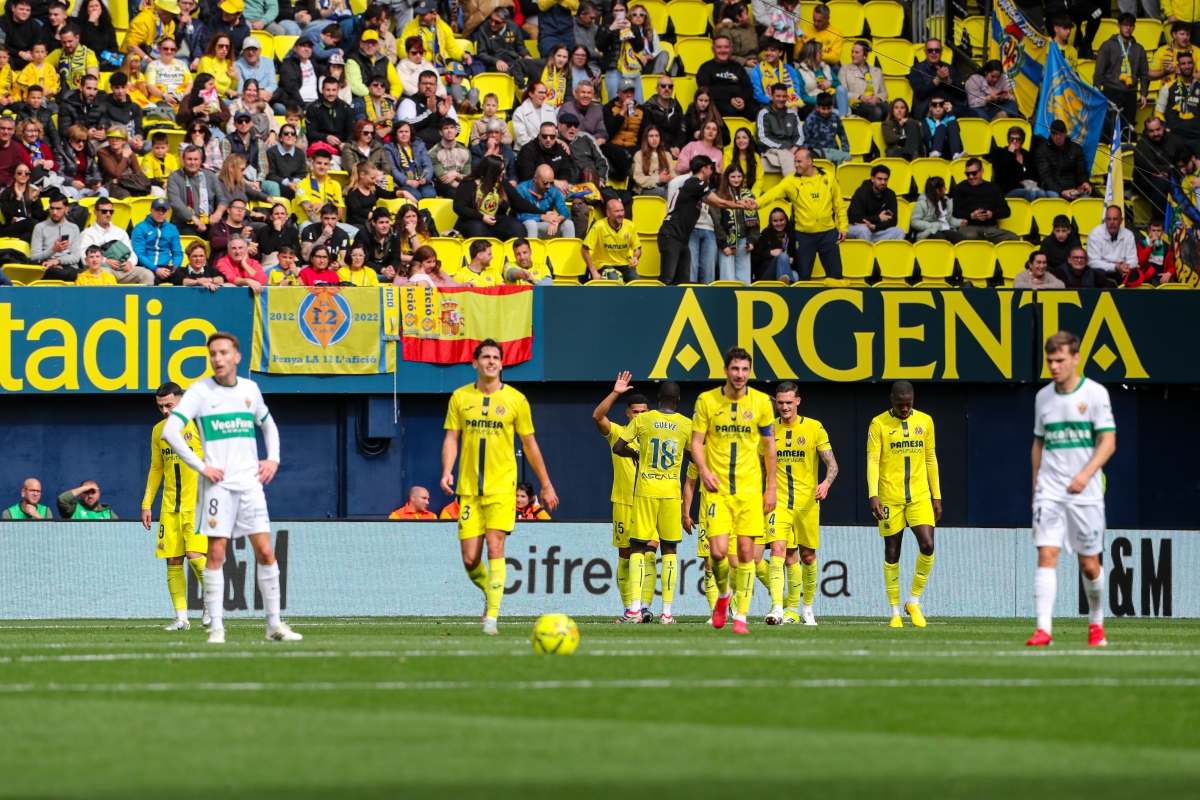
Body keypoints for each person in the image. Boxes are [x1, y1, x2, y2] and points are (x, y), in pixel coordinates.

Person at [161, 332, 297, 644]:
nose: (218, 358)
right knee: (216, 554)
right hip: (218, 489)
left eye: (223, 352)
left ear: (236, 357)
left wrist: (272, 459)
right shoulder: (199, 392)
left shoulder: (250, 389)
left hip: (250, 485)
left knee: (265, 551)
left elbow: (268, 424)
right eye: (213, 354)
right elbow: (171, 430)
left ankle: (274, 625)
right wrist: (201, 466)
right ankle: (217, 628)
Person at [441, 338, 558, 635]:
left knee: (496, 546)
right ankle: (491, 591)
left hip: (501, 489)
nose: (491, 361)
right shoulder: (459, 397)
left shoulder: (516, 400)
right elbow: (452, 438)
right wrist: (446, 471)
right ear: (475, 363)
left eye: (495, 357)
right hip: (469, 490)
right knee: (470, 560)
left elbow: (529, 443)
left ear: (502, 363)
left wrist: (545, 484)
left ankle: (491, 618)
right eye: (485, 357)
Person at [1027, 331, 1116, 648]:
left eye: (1060, 360)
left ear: (1076, 358)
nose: (1054, 366)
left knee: (1089, 564)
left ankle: (1096, 623)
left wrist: (1086, 473)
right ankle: (1043, 629)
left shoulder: (1094, 394)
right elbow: (1038, 443)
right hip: (1050, 491)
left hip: (1085, 492)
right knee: (1046, 554)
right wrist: (1037, 484)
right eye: (1050, 360)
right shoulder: (1043, 398)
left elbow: (1108, 441)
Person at [690, 347, 776, 634]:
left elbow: (769, 448)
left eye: (745, 370)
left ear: (750, 372)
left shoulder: (762, 403)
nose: (740, 375)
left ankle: (741, 616)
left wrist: (771, 487)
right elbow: (696, 442)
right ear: (726, 370)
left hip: (750, 490)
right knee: (717, 553)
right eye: (735, 369)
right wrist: (703, 470)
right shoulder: (707, 401)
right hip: (718, 492)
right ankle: (724, 595)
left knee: (747, 552)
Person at [611, 380, 690, 624]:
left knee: (637, 547)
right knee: (669, 550)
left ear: (658, 399)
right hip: (670, 493)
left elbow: (618, 447)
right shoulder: (686, 424)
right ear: (677, 400)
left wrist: (637, 453)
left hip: (645, 490)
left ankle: (634, 608)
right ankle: (666, 612)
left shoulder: (643, 420)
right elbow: (696, 455)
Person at [867, 380, 940, 628]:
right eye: (900, 405)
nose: (905, 408)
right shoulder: (878, 424)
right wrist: (872, 494)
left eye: (909, 404)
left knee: (928, 545)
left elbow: (931, 458)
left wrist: (936, 495)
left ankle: (913, 601)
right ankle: (895, 612)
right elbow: (873, 461)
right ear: (892, 400)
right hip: (890, 497)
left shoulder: (925, 421)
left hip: (919, 496)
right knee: (891, 552)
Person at [764, 382, 837, 625]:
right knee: (778, 552)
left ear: (798, 401)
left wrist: (826, 483)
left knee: (807, 557)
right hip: (779, 503)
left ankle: (805, 608)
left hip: (807, 503)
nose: (784, 407)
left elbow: (833, 465)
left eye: (788, 402)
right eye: (780, 402)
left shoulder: (814, 428)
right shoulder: (768, 430)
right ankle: (776, 607)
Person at [141, 382, 209, 631]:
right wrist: (147, 503)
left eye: (169, 405)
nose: (165, 411)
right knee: (172, 561)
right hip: (170, 507)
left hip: (198, 504)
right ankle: (181, 618)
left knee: (195, 557)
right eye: (160, 407)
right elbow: (157, 468)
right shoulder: (158, 431)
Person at [592, 373, 651, 616]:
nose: (640, 416)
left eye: (644, 412)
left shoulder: (656, 436)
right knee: (626, 557)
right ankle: (629, 608)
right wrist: (616, 392)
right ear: (628, 413)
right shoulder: (618, 433)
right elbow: (597, 416)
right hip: (624, 502)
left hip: (650, 502)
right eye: (635, 412)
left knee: (649, 554)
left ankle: (645, 607)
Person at [757, 148, 849, 282]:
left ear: (810, 161)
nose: (796, 165)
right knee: (803, 277)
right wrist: (756, 203)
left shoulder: (828, 176)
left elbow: (839, 205)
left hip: (828, 233)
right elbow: (773, 193)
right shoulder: (791, 181)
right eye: (795, 162)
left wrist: (843, 227)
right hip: (804, 235)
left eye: (799, 161)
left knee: (835, 275)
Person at [657, 154, 750, 285]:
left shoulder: (694, 185)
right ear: (704, 169)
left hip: (681, 238)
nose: (713, 171)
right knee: (667, 278)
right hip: (671, 234)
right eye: (711, 168)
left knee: (683, 281)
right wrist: (741, 205)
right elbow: (719, 203)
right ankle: (660, 305)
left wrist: (739, 202)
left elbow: (713, 202)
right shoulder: (696, 183)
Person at [1093, 13, 1149, 141]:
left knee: (1127, 127)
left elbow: (1144, 74)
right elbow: (1099, 70)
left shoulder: (1139, 49)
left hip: (1130, 93)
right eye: (1125, 25)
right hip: (1110, 91)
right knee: (1108, 126)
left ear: (1134, 27)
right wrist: (1097, 88)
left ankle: (1125, 155)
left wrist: (1144, 93)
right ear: (1118, 26)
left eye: (1131, 25)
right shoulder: (1107, 45)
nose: (1128, 28)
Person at [453, 154, 531, 240]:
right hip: (472, 220)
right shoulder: (468, 184)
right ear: (492, 170)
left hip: (498, 221)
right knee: (478, 228)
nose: (504, 172)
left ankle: (519, 253)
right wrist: (482, 217)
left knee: (517, 227)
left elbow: (519, 201)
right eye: (501, 169)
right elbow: (459, 207)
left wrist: (542, 214)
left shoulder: (503, 184)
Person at [712, 163, 758, 284]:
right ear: (727, 177)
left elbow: (755, 221)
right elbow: (716, 221)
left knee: (744, 281)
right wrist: (723, 243)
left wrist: (752, 241)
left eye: (739, 176)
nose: (736, 179)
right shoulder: (720, 194)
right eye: (733, 176)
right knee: (728, 279)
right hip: (726, 240)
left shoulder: (748, 194)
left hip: (744, 241)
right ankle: (727, 303)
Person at [168, 145, 228, 237]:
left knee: (222, 240)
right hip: (184, 225)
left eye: (196, 159)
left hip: (209, 224)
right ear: (182, 159)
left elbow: (222, 198)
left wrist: (218, 213)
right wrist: (195, 220)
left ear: (201, 161)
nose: (193, 162)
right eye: (189, 159)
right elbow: (175, 202)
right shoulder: (175, 177)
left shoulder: (210, 176)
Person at [954, 158, 1018, 242]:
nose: (971, 177)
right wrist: (971, 215)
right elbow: (955, 212)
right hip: (970, 226)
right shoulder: (960, 188)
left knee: (1014, 238)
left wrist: (991, 214)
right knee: (971, 235)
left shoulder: (994, 187)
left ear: (982, 171)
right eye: (967, 174)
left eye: (974, 173)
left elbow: (1006, 211)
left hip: (990, 228)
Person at [695, 36, 756, 119]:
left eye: (726, 47)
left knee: (755, 110)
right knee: (730, 110)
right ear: (713, 50)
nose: (723, 50)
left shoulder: (737, 66)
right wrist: (729, 99)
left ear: (730, 49)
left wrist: (743, 99)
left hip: (740, 101)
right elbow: (705, 89)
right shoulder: (706, 68)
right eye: (719, 47)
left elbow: (748, 87)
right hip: (719, 102)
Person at [582, 196, 640, 282]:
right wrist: (594, 272)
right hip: (603, 264)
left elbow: (637, 248)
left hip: (625, 264)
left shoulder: (630, 225)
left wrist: (636, 257)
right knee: (614, 279)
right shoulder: (599, 226)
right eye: (617, 211)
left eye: (622, 210)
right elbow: (584, 250)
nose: (621, 214)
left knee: (637, 283)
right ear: (608, 213)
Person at [398, 69, 458, 148]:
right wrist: (429, 112)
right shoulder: (409, 101)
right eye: (424, 83)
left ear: (436, 86)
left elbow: (458, 129)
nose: (428, 86)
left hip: (443, 148)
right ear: (418, 85)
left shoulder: (443, 103)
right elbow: (405, 126)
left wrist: (444, 116)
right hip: (417, 147)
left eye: (431, 84)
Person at [1035, 119, 1093, 200]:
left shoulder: (1076, 148)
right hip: (1054, 190)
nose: (1058, 137)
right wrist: (1062, 191)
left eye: (1060, 133)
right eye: (1055, 133)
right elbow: (1046, 177)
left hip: (1074, 190)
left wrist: (1085, 183)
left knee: (1086, 198)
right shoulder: (1042, 150)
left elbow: (1081, 172)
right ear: (1051, 134)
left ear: (1065, 133)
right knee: (1055, 197)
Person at [909, 38, 965, 119]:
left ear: (941, 52)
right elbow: (920, 93)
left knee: (973, 113)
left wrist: (950, 83)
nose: (934, 53)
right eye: (930, 50)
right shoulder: (916, 69)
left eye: (937, 50)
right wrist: (938, 79)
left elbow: (963, 94)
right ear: (925, 52)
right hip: (927, 109)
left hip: (948, 107)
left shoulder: (950, 68)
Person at [514, 163, 574, 240]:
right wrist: (542, 217)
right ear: (535, 178)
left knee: (568, 224)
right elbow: (519, 215)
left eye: (551, 183)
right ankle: (531, 251)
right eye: (545, 183)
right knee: (531, 224)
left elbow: (565, 211)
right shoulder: (522, 189)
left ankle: (569, 252)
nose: (548, 186)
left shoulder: (553, 190)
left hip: (544, 226)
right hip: (524, 227)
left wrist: (557, 220)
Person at [1135, 116, 1181, 215]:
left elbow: (1183, 160)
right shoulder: (1141, 146)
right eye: (1151, 131)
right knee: (1162, 183)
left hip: (1170, 176)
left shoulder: (1174, 139)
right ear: (1146, 131)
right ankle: (1158, 223)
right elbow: (1152, 167)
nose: (1156, 134)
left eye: (1158, 129)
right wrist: (1172, 169)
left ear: (1163, 127)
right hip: (1144, 180)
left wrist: (1169, 172)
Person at [473, 6, 533, 81]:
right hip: (494, 64)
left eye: (497, 22)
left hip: (513, 62)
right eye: (491, 20)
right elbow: (481, 53)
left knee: (531, 70)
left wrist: (526, 55)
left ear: (505, 23)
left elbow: (520, 46)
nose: (493, 24)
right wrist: (496, 61)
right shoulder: (484, 28)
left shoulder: (514, 27)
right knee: (504, 72)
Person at [847, 164, 904, 242]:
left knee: (899, 232)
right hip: (857, 227)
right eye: (880, 179)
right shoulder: (861, 192)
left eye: (885, 179)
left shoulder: (890, 194)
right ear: (873, 179)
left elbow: (893, 221)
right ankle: (866, 254)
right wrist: (878, 218)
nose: (883, 182)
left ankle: (890, 254)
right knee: (863, 230)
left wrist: (873, 226)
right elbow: (855, 218)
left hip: (875, 228)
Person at [1157, 53, 1200, 155]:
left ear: (1193, 65)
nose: (1187, 66)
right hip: (1175, 137)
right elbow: (1158, 111)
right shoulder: (1168, 87)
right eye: (1183, 63)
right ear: (1178, 67)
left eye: (1189, 63)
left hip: (1197, 138)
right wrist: (1165, 128)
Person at [131, 198, 183, 282]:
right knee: (150, 277)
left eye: (164, 210)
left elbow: (178, 253)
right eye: (157, 210)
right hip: (148, 267)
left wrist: (174, 266)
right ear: (151, 210)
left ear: (168, 212)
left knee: (183, 277)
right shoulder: (140, 227)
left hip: (167, 267)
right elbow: (139, 254)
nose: (161, 213)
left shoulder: (172, 229)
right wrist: (156, 269)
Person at [756, 84, 803, 176]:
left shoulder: (793, 114)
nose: (781, 99)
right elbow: (762, 138)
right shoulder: (763, 114)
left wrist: (793, 149)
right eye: (778, 96)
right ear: (771, 96)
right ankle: (792, 183)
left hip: (791, 150)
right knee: (786, 157)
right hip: (772, 149)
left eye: (784, 96)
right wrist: (781, 148)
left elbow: (800, 136)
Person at [30, 191, 81, 275]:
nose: (54, 212)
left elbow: (76, 257)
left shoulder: (74, 228)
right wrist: (53, 250)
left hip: (69, 267)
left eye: (58, 209)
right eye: (52, 208)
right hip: (48, 267)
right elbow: (34, 256)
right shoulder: (40, 227)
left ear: (66, 209)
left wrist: (58, 261)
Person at [1086, 205, 1138, 283]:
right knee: (1096, 272)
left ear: (1121, 220)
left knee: (1134, 273)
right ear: (1105, 220)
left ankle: (1126, 295)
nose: (1112, 222)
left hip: (1121, 272)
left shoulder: (1129, 234)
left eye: (1115, 219)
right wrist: (1115, 267)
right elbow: (1093, 262)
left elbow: (1133, 259)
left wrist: (1126, 266)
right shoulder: (1095, 234)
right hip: (1102, 271)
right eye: (1109, 219)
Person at [797, 40, 848, 118]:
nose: (822, 55)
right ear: (812, 54)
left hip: (831, 99)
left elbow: (839, 86)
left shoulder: (826, 67)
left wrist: (830, 83)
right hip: (816, 103)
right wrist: (822, 103)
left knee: (841, 89)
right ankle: (842, 118)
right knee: (836, 113)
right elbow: (803, 96)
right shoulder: (799, 72)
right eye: (820, 52)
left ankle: (843, 117)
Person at [291, 149, 342, 224]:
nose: (322, 166)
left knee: (356, 232)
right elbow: (310, 213)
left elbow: (340, 214)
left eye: (326, 164)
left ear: (329, 166)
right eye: (319, 163)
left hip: (332, 224)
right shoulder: (302, 184)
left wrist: (325, 206)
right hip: (309, 223)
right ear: (312, 163)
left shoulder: (336, 185)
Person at [516, 119, 574, 184]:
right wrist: (553, 182)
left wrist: (564, 182)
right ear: (539, 136)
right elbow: (528, 178)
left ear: (556, 137)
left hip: (559, 187)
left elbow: (565, 170)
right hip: (534, 189)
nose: (548, 139)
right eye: (544, 136)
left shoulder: (561, 148)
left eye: (552, 136)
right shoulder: (527, 151)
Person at [429, 117, 470, 199]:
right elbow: (442, 178)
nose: (449, 131)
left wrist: (456, 174)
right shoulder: (433, 153)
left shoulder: (465, 151)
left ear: (456, 131)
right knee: (453, 192)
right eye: (445, 128)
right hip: (442, 185)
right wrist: (462, 187)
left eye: (452, 128)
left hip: (461, 183)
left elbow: (468, 177)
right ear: (441, 132)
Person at [803, 93, 850, 164]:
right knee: (829, 158)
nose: (826, 111)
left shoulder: (835, 117)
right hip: (816, 150)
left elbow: (843, 135)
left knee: (847, 157)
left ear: (832, 107)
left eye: (829, 108)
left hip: (832, 149)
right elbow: (806, 140)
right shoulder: (811, 119)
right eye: (823, 109)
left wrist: (845, 150)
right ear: (817, 107)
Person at [1129, 218, 1177, 286]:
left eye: (1159, 231)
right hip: (1147, 277)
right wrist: (1150, 245)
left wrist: (1168, 273)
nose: (1156, 233)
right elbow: (1141, 261)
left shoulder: (1167, 246)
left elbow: (1171, 267)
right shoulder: (1142, 244)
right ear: (1149, 231)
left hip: (1162, 278)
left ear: (1163, 231)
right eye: (1153, 230)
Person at [631, 123, 674, 197]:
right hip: (644, 189)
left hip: (664, 186)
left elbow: (673, 174)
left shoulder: (667, 155)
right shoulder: (639, 154)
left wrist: (669, 178)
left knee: (676, 190)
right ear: (646, 138)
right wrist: (658, 179)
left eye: (657, 136)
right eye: (651, 136)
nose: (654, 139)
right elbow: (637, 177)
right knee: (663, 192)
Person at [512, 82, 557, 150]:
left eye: (545, 93)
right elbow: (522, 139)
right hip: (527, 151)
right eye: (540, 92)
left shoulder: (550, 110)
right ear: (531, 94)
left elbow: (555, 132)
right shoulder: (519, 112)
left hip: (548, 150)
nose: (544, 95)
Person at [0, 159, 40, 236]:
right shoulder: (7, 193)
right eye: (19, 172)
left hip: (30, 227)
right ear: (14, 175)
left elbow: (40, 216)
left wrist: (34, 201)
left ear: (29, 176)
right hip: (12, 227)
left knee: (27, 236)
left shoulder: (33, 191)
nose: (23, 175)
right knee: (30, 222)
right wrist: (18, 198)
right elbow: (8, 215)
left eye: (27, 173)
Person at [560, 80, 606, 145]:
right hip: (572, 145)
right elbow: (563, 132)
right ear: (576, 93)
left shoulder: (597, 111)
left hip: (593, 144)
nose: (586, 95)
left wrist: (594, 141)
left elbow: (602, 132)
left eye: (589, 93)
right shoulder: (567, 109)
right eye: (583, 92)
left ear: (593, 95)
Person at [920, 93, 963, 159]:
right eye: (935, 106)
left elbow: (956, 132)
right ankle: (935, 152)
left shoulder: (950, 118)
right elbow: (927, 140)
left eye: (941, 105)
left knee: (950, 125)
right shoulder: (926, 121)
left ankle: (956, 153)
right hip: (933, 148)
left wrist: (950, 112)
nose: (938, 109)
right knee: (941, 127)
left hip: (950, 150)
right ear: (930, 107)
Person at [1151, 20, 1193, 85]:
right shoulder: (1161, 51)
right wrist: (1165, 72)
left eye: (1187, 34)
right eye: (1182, 34)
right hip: (1167, 92)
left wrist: (1185, 73)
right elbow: (1150, 75)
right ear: (1174, 34)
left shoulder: (1197, 51)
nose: (1185, 37)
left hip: (1190, 93)